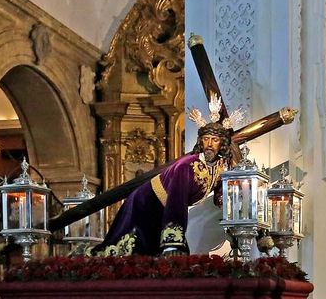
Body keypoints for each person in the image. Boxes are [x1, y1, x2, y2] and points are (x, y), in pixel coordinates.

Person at [97, 110, 235, 257]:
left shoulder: (219, 166)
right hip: (145, 203)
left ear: (222, 143)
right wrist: (173, 243)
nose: (209, 144)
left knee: (161, 257)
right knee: (131, 252)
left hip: (164, 209)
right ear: (200, 141)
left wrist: (231, 206)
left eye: (215, 140)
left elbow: (220, 194)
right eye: (206, 139)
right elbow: (177, 201)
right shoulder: (187, 166)